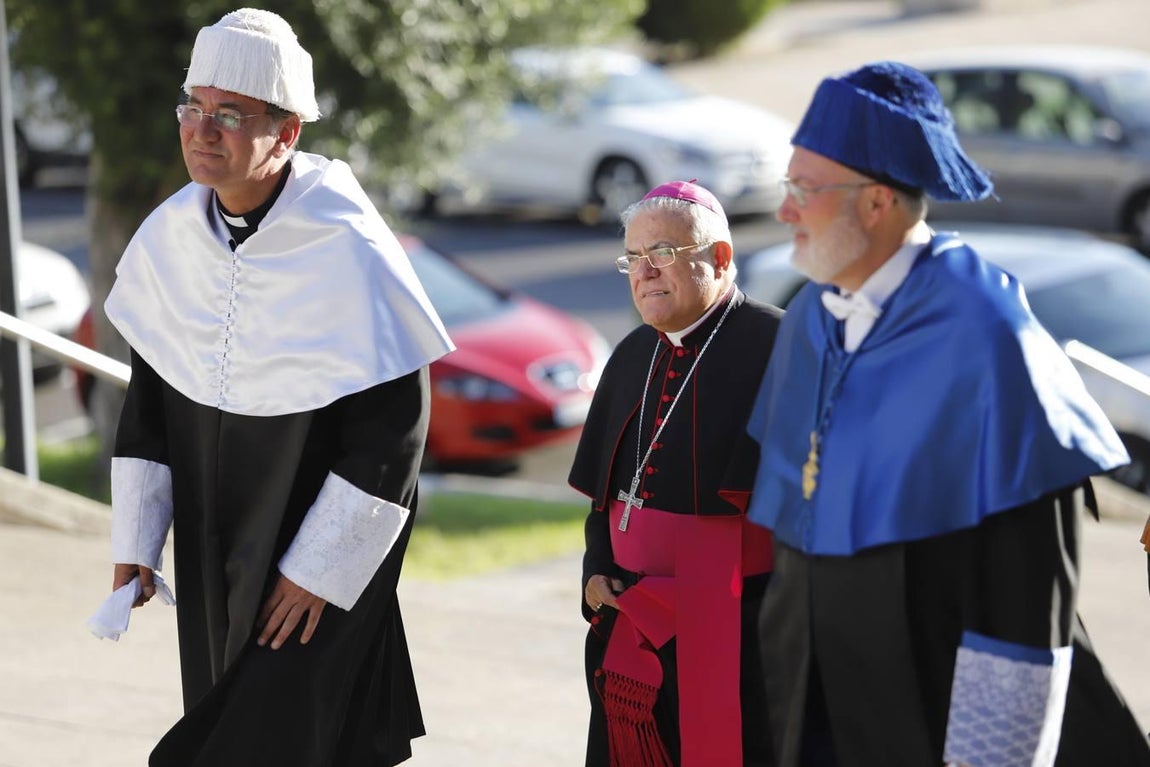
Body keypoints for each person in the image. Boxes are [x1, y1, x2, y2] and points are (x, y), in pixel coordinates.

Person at [745, 60, 1150, 767]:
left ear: (876, 202)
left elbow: (1028, 597)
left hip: (931, 726)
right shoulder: (809, 317)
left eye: (803, 189)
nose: (784, 211)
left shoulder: (989, 335)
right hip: (815, 718)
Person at [102, 9, 453, 765]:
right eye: (193, 108)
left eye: (230, 114)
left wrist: (317, 570)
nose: (203, 129)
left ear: (286, 133)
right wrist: (137, 537)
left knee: (259, 739)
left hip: (309, 558)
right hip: (209, 537)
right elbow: (150, 403)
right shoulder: (169, 238)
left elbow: (395, 434)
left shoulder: (347, 245)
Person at [569, 180, 784, 767]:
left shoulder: (781, 347)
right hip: (630, 626)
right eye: (633, 259)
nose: (645, 272)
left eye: (662, 253)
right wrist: (596, 574)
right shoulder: (632, 353)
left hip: (734, 635)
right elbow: (601, 504)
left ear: (718, 258)